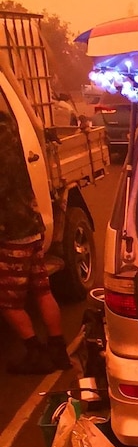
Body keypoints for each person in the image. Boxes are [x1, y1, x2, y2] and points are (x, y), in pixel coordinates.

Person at [0, 111, 72, 374]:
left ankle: (35, 353)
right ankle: (58, 350)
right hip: (30, 223)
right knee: (42, 290)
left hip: (9, 230)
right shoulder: (8, 125)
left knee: (8, 301)